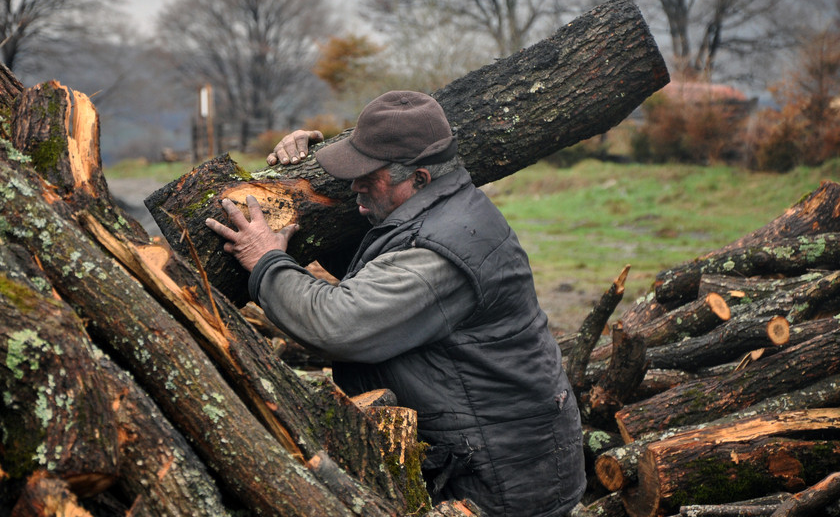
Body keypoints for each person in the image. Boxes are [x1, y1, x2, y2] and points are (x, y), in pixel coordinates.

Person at [205, 91, 585, 516]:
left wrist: (265, 260)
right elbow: (373, 265)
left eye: (368, 174)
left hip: (497, 483)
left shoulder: (439, 254)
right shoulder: (444, 209)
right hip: (495, 458)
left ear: (419, 179)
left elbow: (336, 324)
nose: (355, 185)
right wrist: (299, 173)